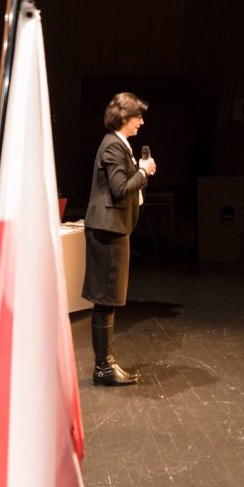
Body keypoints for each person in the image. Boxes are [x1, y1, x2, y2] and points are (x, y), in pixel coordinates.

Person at [82, 92, 155, 386]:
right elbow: (120, 188)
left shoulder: (117, 144)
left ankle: (105, 365)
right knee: (105, 298)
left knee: (107, 299)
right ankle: (104, 367)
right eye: (138, 116)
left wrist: (139, 171)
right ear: (125, 117)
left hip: (112, 230)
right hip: (108, 232)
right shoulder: (113, 145)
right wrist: (143, 170)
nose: (141, 122)